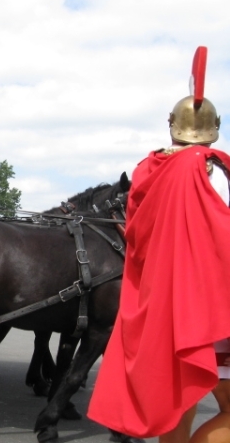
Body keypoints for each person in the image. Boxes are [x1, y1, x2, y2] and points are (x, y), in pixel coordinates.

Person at [87, 47, 230, 443]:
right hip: (211, 311)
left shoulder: (148, 171)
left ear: (172, 126)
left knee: (178, 410)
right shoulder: (215, 171)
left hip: (163, 310)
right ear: (215, 126)